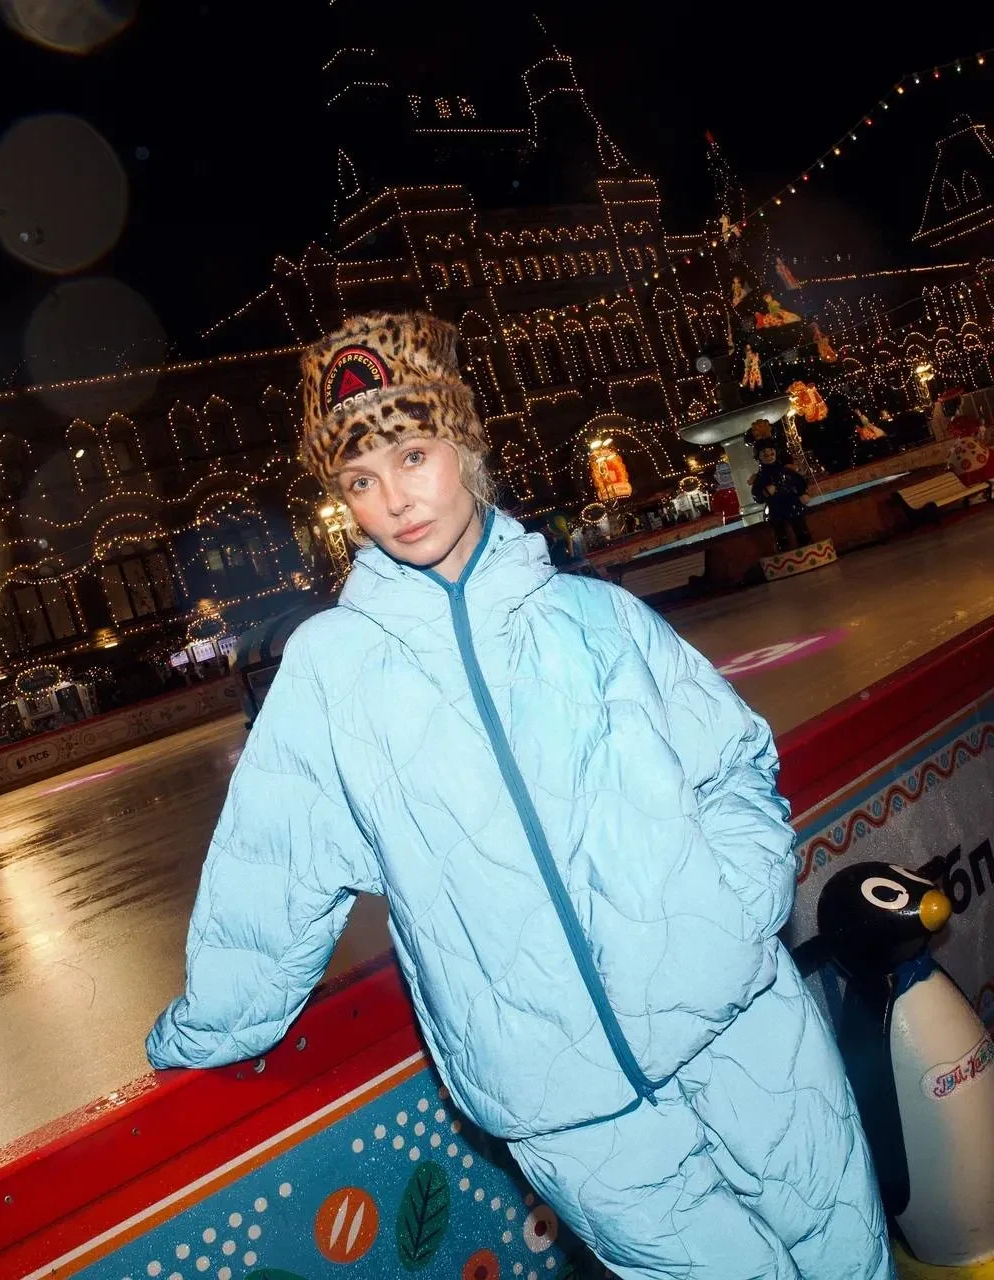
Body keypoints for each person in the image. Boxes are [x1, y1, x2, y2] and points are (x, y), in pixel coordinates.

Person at [147, 313, 892, 1280]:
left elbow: (732, 766)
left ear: (462, 444)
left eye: (411, 456)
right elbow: (271, 873)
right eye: (359, 481)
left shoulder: (593, 617)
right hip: (568, 1110)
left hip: (746, 1029)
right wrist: (205, 1032)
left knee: (847, 1258)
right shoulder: (331, 676)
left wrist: (738, 915)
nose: (393, 502)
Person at [750, 440, 813, 552]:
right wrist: (765, 492)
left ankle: (809, 550)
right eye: (764, 453)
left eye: (771, 452)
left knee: (802, 530)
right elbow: (757, 496)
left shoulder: (786, 470)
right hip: (775, 511)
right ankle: (784, 552)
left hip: (793, 506)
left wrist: (803, 493)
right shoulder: (760, 477)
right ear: (759, 457)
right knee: (781, 536)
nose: (769, 455)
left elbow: (798, 481)